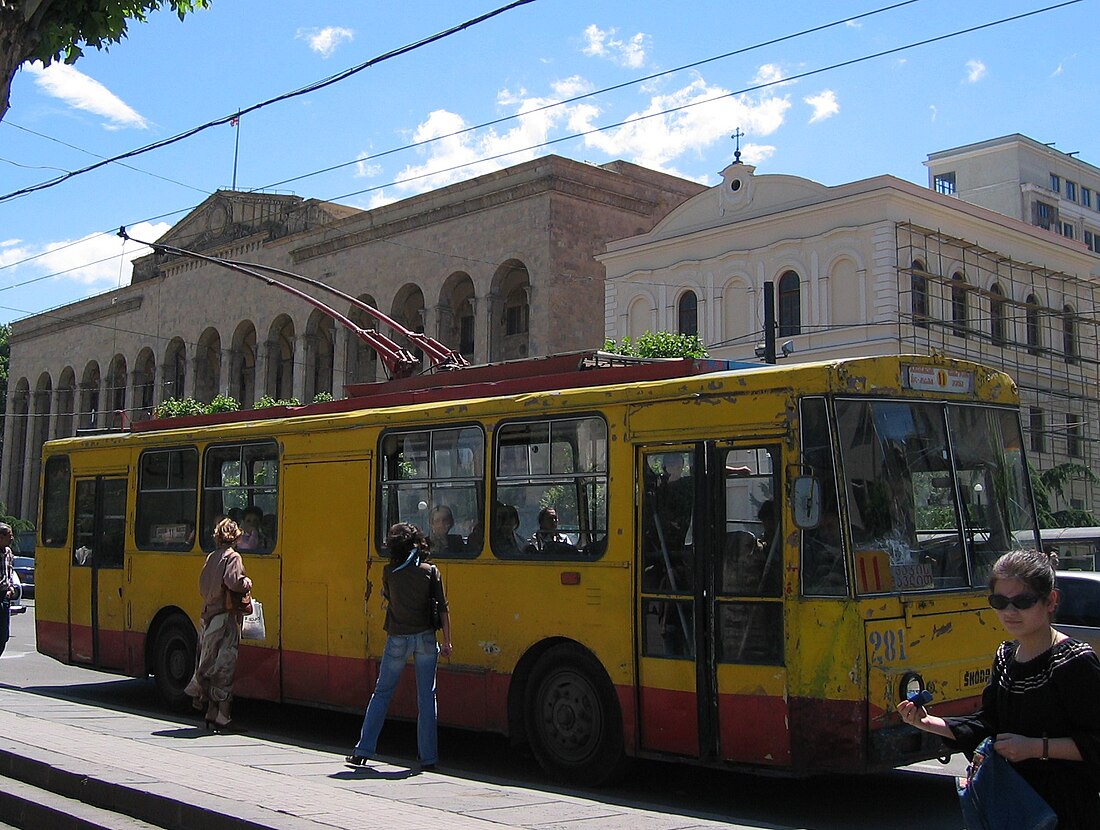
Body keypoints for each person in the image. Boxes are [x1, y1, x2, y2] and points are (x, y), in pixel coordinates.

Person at [897, 549, 1100, 829]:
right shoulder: (1006, 655)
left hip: (1065, 809)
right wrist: (928, 722)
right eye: (999, 601)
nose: (1009, 612)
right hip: (1012, 806)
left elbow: (1096, 743)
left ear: (1051, 600)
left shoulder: (1074, 661)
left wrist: (1035, 748)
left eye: (1022, 601)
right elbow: (988, 723)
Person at [347, 522, 452, 771]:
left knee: (382, 693)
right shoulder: (431, 571)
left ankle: (363, 751)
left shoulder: (389, 572)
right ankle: (428, 757)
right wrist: (447, 641)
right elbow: (444, 608)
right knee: (427, 697)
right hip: (426, 638)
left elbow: (389, 598)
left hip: (398, 638)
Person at [184, 517, 253, 733]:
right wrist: (247, 582)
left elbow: (202, 585)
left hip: (209, 615)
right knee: (225, 664)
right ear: (236, 537)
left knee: (209, 662)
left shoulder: (211, 557)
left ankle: (210, 712)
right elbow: (233, 582)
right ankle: (223, 716)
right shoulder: (233, 558)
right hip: (225, 617)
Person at [0, 524, 15, 657]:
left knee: (3, 635)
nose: (12, 538)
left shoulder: (8, 552)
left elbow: (9, 570)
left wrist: (10, 587)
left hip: (4, 595)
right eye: (9, 535)